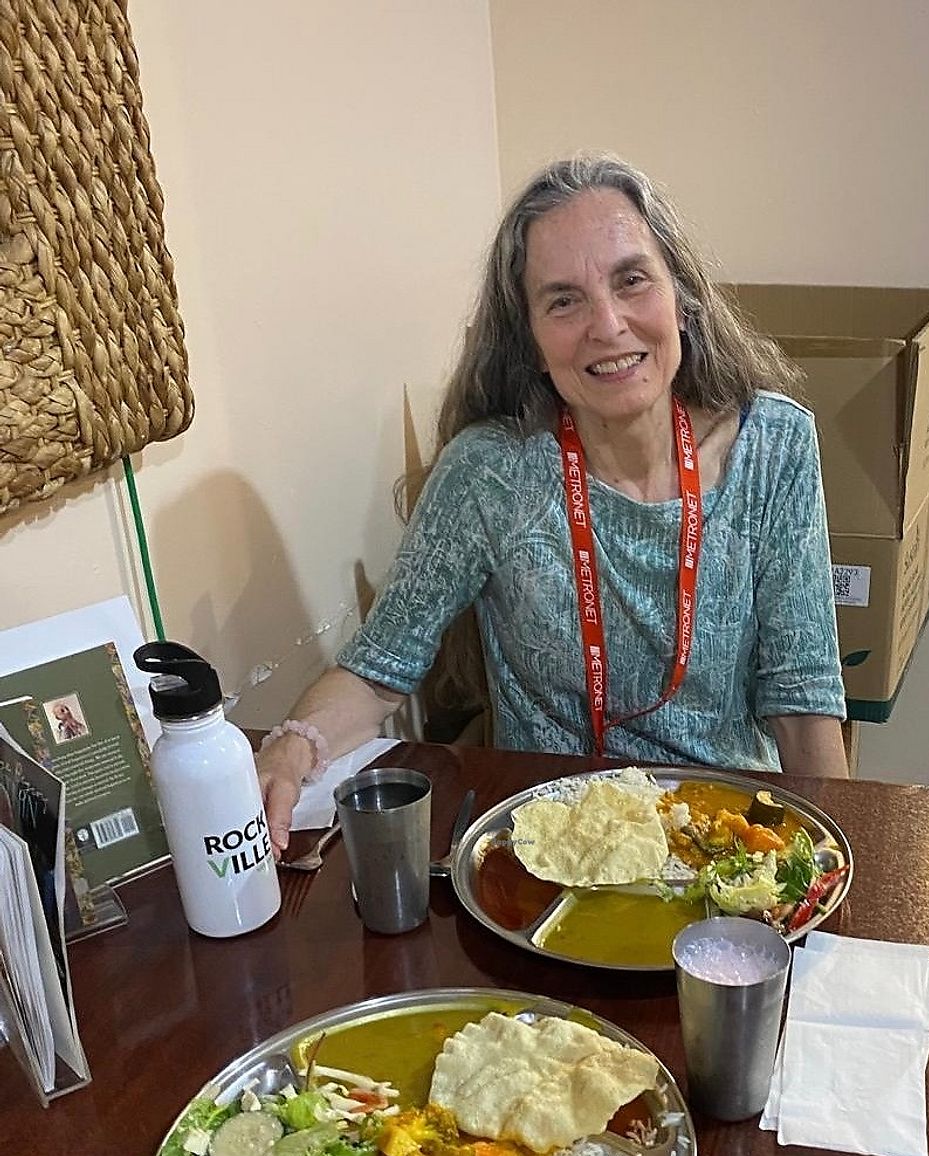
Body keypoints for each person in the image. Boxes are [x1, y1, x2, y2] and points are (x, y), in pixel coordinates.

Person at [258, 154, 847, 855]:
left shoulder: (773, 446)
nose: (608, 324)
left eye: (632, 280)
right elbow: (376, 674)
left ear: (683, 299)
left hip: (722, 840)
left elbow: (802, 704)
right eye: (563, 301)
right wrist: (292, 746)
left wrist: (833, 871)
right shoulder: (490, 473)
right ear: (532, 342)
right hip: (551, 846)